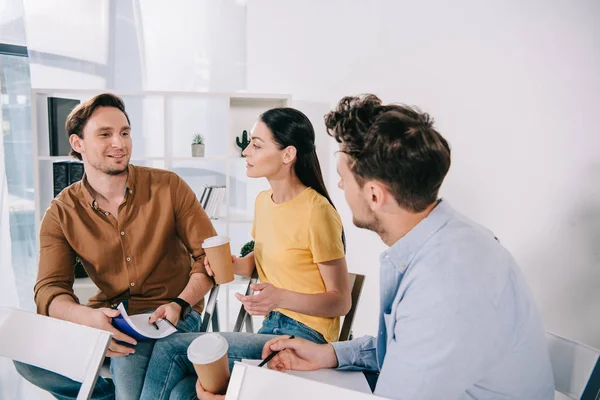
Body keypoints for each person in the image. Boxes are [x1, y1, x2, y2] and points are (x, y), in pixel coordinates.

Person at [145, 94, 555, 400]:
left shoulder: (446, 280)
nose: (338, 184)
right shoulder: (435, 246)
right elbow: (395, 349)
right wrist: (331, 356)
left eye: (344, 176)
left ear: (374, 195)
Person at [14, 93, 217, 400]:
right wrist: (90, 320)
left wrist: (181, 303)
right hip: (108, 315)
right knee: (29, 355)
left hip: (173, 314)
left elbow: (208, 258)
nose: (119, 144)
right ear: (78, 143)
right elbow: (48, 291)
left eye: (124, 132)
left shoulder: (169, 186)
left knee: (129, 364)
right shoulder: (61, 211)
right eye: (105, 134)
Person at [139, 107, 351, 399]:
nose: (246, 152)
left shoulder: (318, 213)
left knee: (171, 349)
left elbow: (340, 301)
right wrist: (234, 265)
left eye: (256, 145)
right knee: (182, 391)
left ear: (288, 155)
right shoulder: (264, 201)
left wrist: (280, 297)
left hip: (305, 337)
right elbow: (262, 261)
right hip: (271, 327)